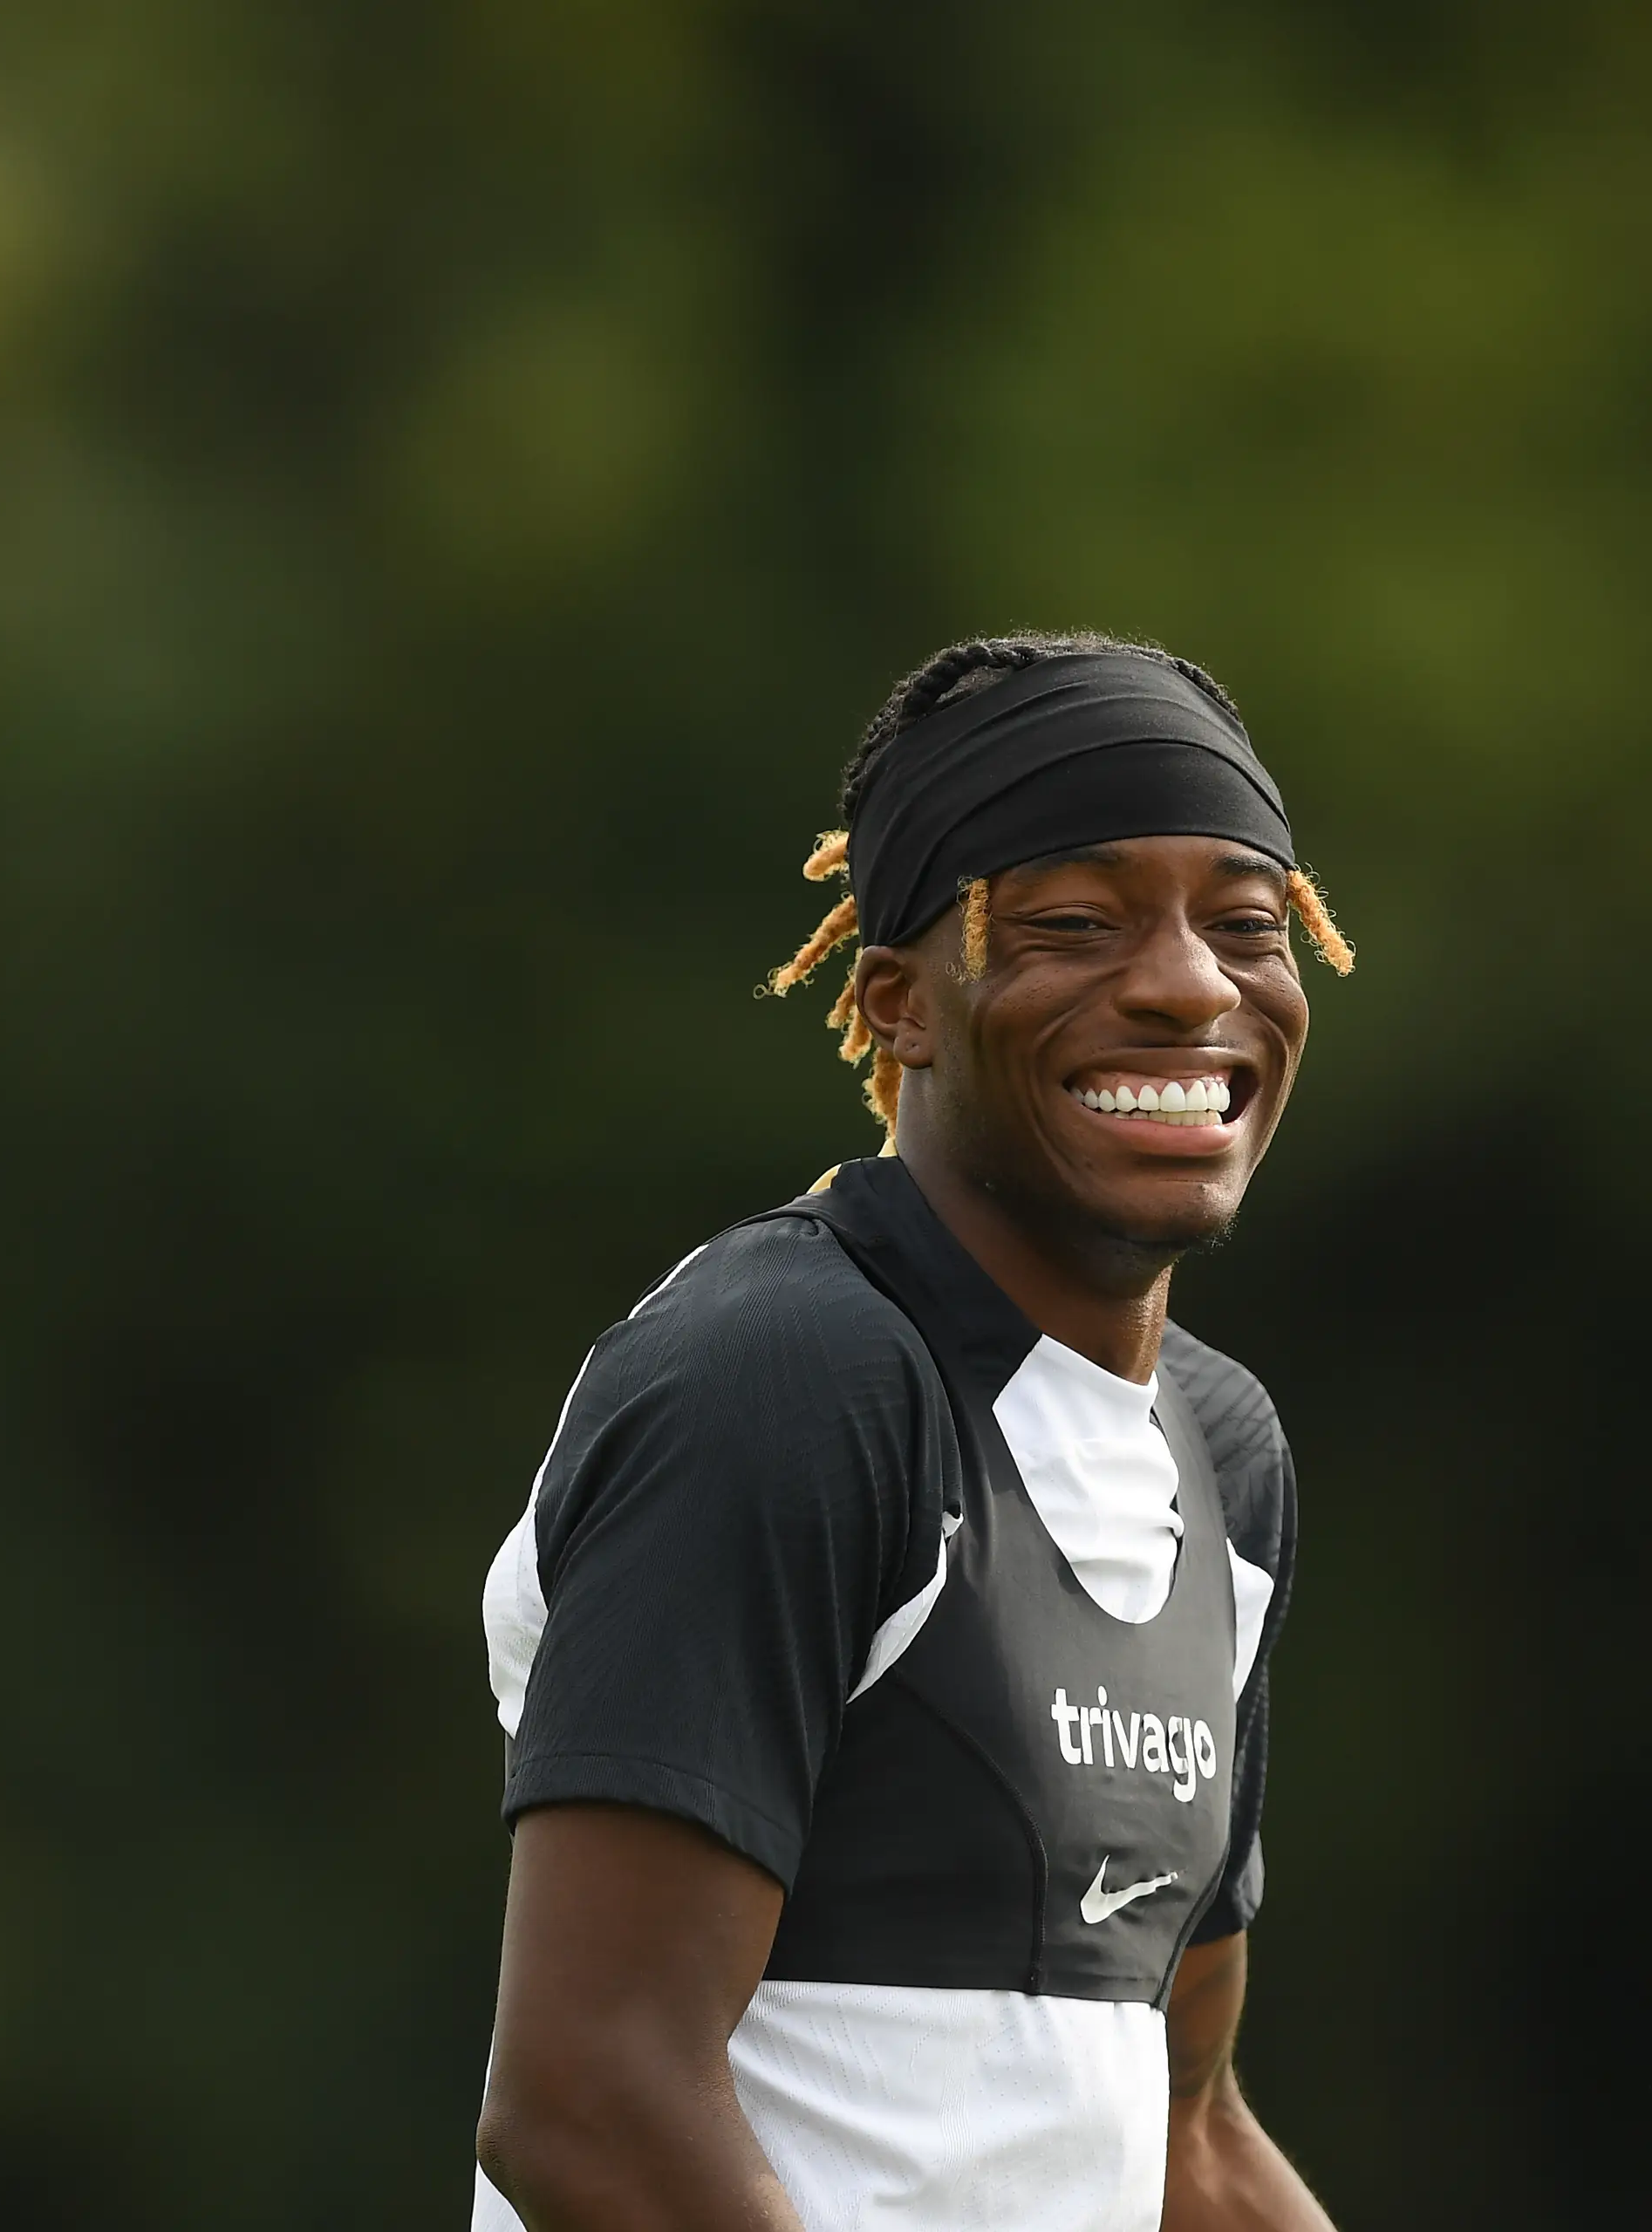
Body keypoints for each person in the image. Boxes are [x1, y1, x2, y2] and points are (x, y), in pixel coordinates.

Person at [470, 633, 1358, 2232]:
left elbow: (1186, 2134)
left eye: (1244, 923)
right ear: (901, 1004)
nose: (1186, 983)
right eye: (1075, 924)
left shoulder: (1221, 1456)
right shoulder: (789, 1378)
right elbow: (591, 2102)